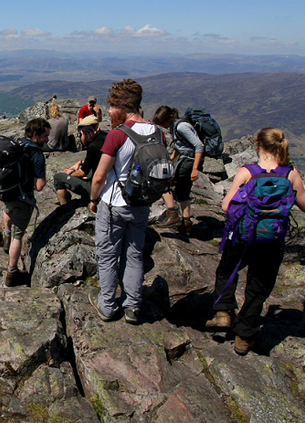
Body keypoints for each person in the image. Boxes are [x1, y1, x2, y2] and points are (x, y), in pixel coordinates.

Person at [208, 128, 305, 355]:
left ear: (257, 145)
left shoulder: (248, 172)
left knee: (227, 271)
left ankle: (223, 312)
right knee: (258, 287)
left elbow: (227, 206)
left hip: (243, 236)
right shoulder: (290, 175)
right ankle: (244, 337)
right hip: (271, 241)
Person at [88, 79, 164, 324]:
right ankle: (132, 306)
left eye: (111, 106)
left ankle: (108, 306)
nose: (108, 111)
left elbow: (100, 175)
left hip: (113, 205)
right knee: (134, 255)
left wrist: (93, 199)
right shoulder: (157, 132)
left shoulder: (117, 135)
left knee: (108, 255)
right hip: (141, 205)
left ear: (122, 106)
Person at [2, 118, 50, 287]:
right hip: (23, 198)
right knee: (18, 236)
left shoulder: (15, 144)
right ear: (36, 134)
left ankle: (5, 239)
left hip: (7, 192)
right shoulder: (36, 154)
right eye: (45, 136)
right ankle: (12, 272)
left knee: (7, 212)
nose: (47, 140)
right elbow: (39, 186)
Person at [152, 106, 204, 234]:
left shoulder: (181, 126)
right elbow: (181, 145)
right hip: (187, 160)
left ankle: (172, 213)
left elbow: (198, 145)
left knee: (165, 183)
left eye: (163, 123)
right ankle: (186, 223)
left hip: (189, 161)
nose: (163, 127)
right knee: (183, 191)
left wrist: (195, 169)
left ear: (169, 119)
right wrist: (171, 158)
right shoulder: (177, 125)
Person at [53, 115, 106, 205]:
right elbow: (96, 160)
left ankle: (64, 207)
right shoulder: (105, 136)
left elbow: (82, 172)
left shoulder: (93, 146)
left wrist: (69, 172)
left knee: (58, 178)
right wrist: (80, 162)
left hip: (96, 189)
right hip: (108, 184)